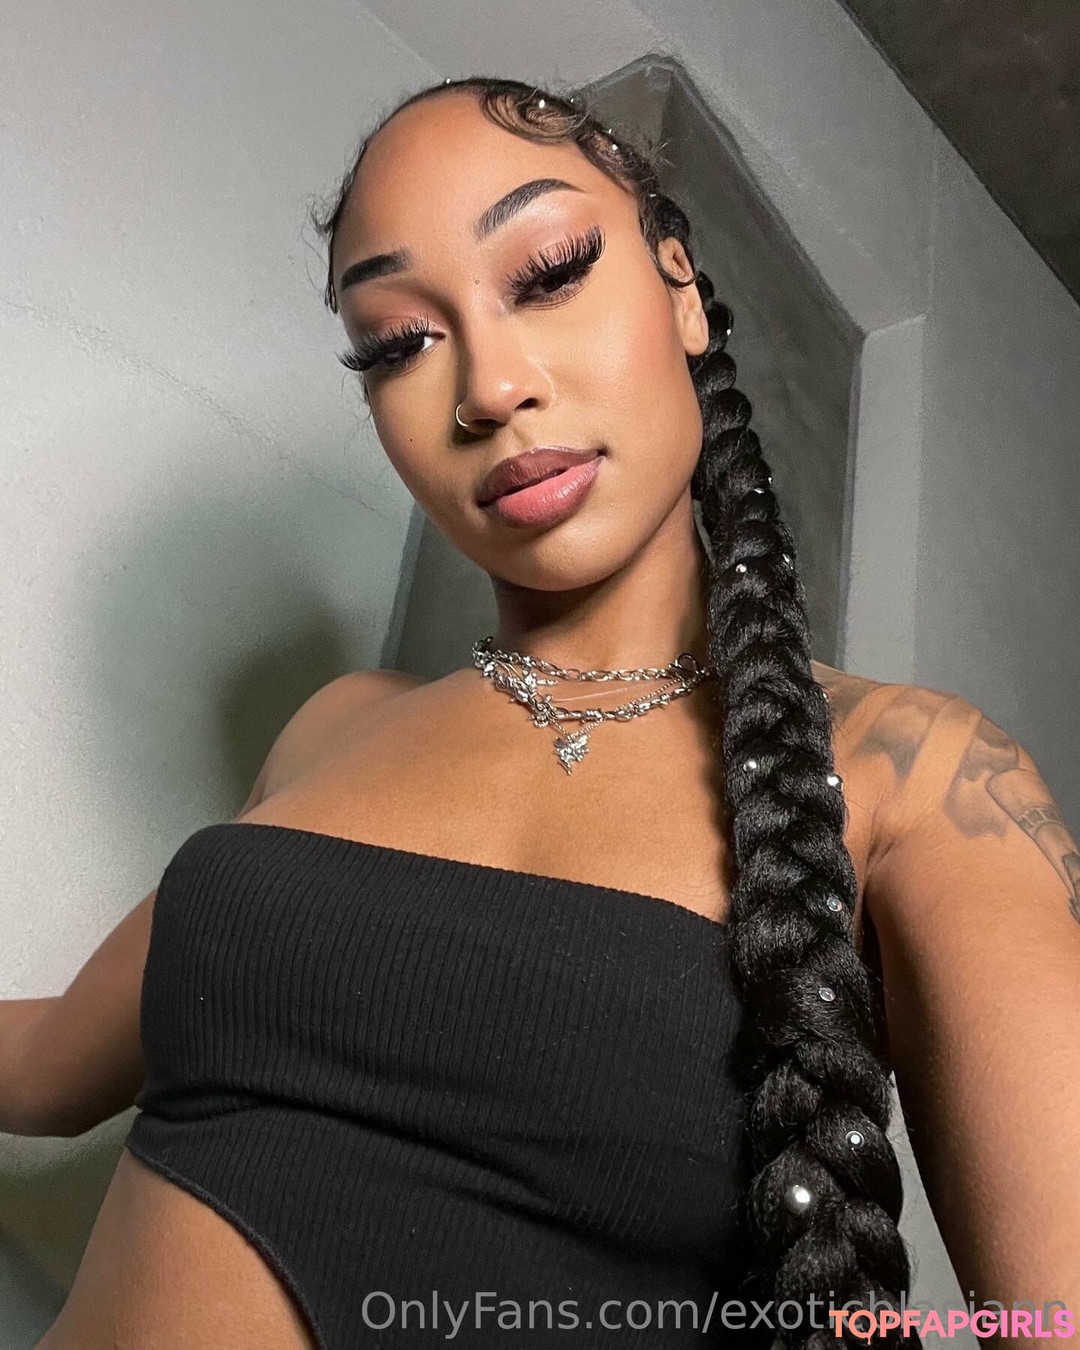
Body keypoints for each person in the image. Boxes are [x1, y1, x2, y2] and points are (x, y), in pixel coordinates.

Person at [5, 76, 1079, 1350]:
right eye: (398, 343)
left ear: (681, 290)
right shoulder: (336, 726)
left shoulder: (921, 775)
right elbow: (48, 1067)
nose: (491, 386)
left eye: (550, 272)